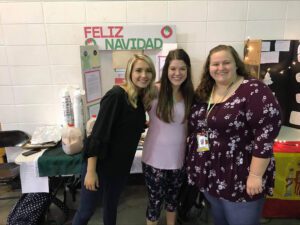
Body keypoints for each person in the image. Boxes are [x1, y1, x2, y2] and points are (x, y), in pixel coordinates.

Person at [185, 45, 282, 225]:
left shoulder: (253, 89)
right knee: (220, 221)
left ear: (236, 64)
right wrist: (201, 157)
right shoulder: (206, 91)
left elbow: (265, 133)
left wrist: (255, 175)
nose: (220, 68)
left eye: (226, 62)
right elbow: (201, 128)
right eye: (215, 64)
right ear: (209, 68)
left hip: (241, 174)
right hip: (210, 174)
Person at [72, 54, 156, 225]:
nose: (143, 75)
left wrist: (144, 124)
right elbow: (97, 135)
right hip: (100, 167)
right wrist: (90, 171)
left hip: (119, 168)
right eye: (138, 70)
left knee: (111, 207)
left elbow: (125, 125)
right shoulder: (116, 96)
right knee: (86, 211)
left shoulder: (138, 98)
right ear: (129, 73)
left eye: (148, 71)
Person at [142, 49, 194, 225]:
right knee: (155, 203)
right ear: (166, 70)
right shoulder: (153, 91)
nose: (177, 73)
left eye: (182, 69)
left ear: (188, 71)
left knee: (173, 202)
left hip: (178, 160)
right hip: (154, 159)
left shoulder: (190, 95)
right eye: (173, 68)